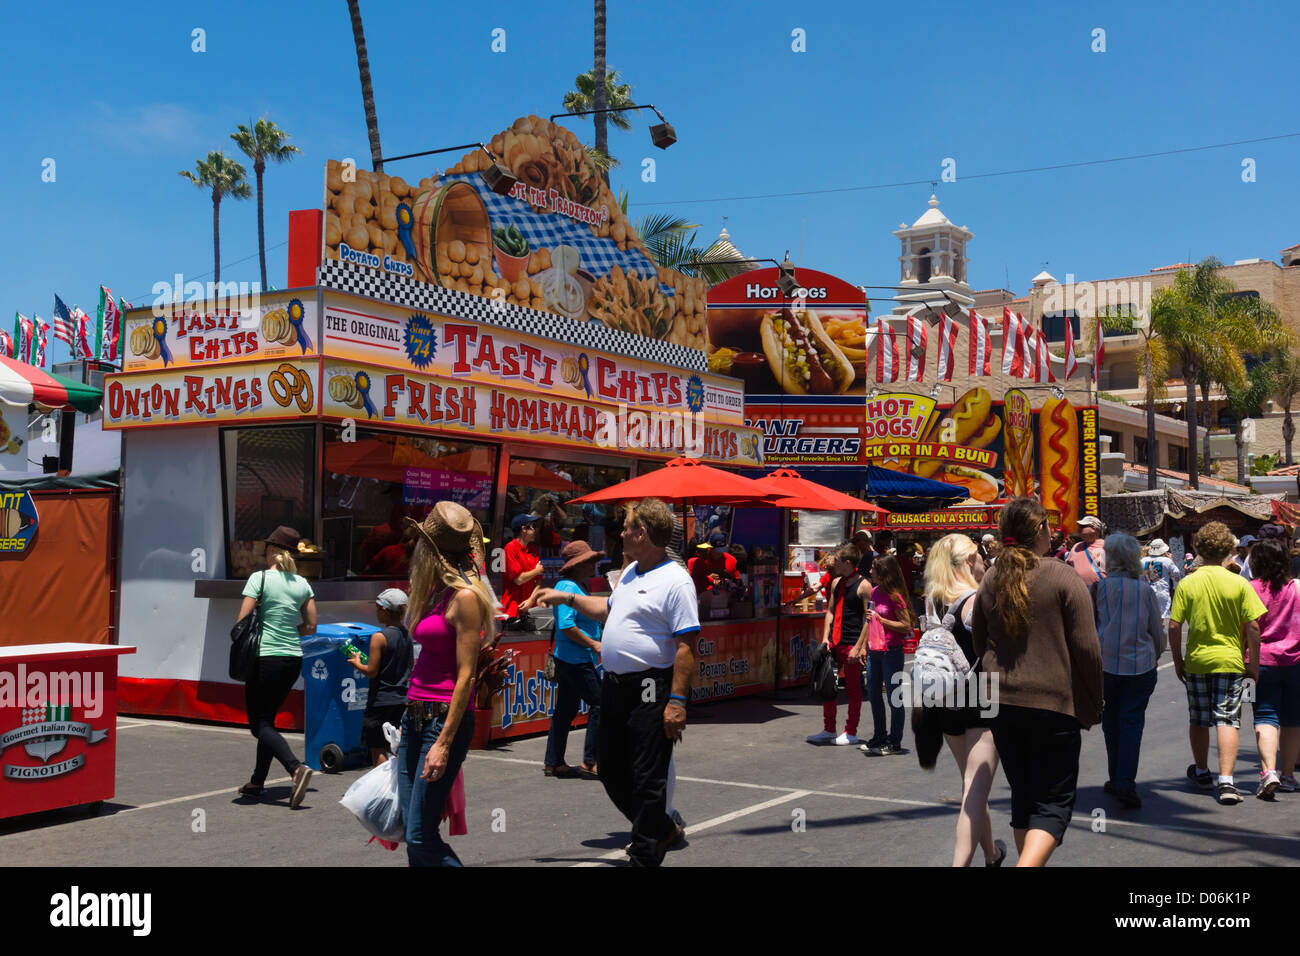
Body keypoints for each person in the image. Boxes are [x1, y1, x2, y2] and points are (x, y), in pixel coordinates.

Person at [534, 498, 697, 867]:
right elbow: (609, 610)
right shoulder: (631, 572)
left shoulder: (676, 581)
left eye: (625, 527)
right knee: (609, 768)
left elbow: (687, 646)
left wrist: (677, 702)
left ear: (642, 533)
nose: (620, 533)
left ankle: (644, 852)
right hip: (617, 684)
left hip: (651, 687)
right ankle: (660, 827)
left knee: (647, 774)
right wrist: (566, 597)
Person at [972, 498, 1102, 866]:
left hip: (1002, 704)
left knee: (1024, 798)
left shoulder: (993, 576)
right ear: (1041, 531)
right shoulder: (1062, 575)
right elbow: (1088, 650)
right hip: (1053, 705)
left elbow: (979, 642)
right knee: (1054, 805)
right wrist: (1093, 702)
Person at [398, 501, 496, 866]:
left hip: (441, 720)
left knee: (420, 835)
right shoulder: (434, 591)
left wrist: (443, 742)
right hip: (415, 714)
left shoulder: (465, 598)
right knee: (412, 828)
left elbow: (466, 675)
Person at [915, 533, 1006, 867]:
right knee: (974, 787)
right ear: (969, 561)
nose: (983, 560)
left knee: (971, 786)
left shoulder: (932, 599)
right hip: (982, 701)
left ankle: (992, 855)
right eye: (979, 555)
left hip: (945, 702)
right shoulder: (975, 600)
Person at [1168, 521, 1265, 806]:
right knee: (1227, 720)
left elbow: (1174, 627)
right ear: (1227, 550)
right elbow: (1254, 628)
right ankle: (1226, 781)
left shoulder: (1188, 582)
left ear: (1199, 547)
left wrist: (1178, 660)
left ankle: (1201, 771)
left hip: (1198, 661)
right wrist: (1254, 666)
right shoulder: (1239, 583)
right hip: (1231, 661)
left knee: (1198, 718)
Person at [235, 526, 318, 807]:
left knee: (259, 725)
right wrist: (289, 631)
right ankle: (257, 782)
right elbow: (311, 626)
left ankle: (295, 768)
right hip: (292, 659)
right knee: (267, 719)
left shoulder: (259, 578)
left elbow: (241, 621)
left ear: (272, 550)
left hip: (264, 658)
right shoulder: (302, 584)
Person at [1093, 534, 1165, 809]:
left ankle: (1116, 778)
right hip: (1139, 667)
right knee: (1131, 724)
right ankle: (1125, 781)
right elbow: (1155, 631)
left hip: (1107, 666)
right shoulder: (1144, 589)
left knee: (1111, 724)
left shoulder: (1099, 589)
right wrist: (1156, 655)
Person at [543, 540, 606, 779]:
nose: (593, 565)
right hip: (575, 658)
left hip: (572, 657)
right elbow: (567, 625)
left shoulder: (575, 585)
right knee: (600, 703)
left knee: (566, 709)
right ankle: (591, 760)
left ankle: (554, 761)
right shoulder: (567, 586)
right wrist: (593, 643)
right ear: (578, 565)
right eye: (589, 561)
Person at [1243, 538, 1300, 796]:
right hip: (1295, 662)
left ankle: (1268, 772)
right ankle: (1288, 775)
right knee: (1293, 721)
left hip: (1260, 662)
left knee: (1265, 716)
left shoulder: (1250, 588)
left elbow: (1247, 628)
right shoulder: (1296, 588)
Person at [806, 544, 869, 746]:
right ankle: (829, 729)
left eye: (838, 559)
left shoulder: (864, 585)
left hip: (851, 642)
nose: (833, 562)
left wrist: (860, 647)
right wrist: (825, 637)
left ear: (848, 563)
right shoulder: (836, 583)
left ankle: (851, 731)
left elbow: (868, 619)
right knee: (828, 686)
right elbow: (831, 611)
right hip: (834, 642)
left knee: (853, 689)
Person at [853, 554, 913, 756]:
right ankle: (880, 736)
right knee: (873, 695)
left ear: (883, 572)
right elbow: (869, 621)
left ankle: (894, 742)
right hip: (874, 651)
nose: (870, 571)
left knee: (894, 697)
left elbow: (906, 626)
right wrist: (861, 646)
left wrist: (882, 620)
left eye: (874, 569)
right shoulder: (876, 591)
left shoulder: (896, 596)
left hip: (891, 651)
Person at [346, 588, 414, 766]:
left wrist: (356, 662)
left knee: (377, 748)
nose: (376, 613)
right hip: (400, 699)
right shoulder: (407, 636)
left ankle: (382, 789)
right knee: (393, 745)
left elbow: (371, 671)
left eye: (377, 609)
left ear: (384, 610)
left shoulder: (379, 637)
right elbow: (410, 666)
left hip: (380, 700)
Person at [502, 512, 543, 626]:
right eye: (533, 527)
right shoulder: (510, 548)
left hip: (529, 609)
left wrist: (531, 600)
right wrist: (536, 571)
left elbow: (538, 581)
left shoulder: (534, 549)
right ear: (524, 529)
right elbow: (518, 580)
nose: (536, 530)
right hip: (512, 609)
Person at [1141, 538, 1181, 625]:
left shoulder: (1143, 561)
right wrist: (1171, 560)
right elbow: (1176, 573)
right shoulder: (1167, 561)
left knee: (1147, 621)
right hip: (1161, 593)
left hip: (1145, 593)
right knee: (1160, 622)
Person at [1065, 515, 1107, 586]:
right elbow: (1068, 568)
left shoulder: (1107, 546)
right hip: (1079, 592)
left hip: (1102, 592)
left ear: (1094, 528)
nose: (1079, 529)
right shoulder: (1076, 546)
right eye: (1079, 526)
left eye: (1083, 527)